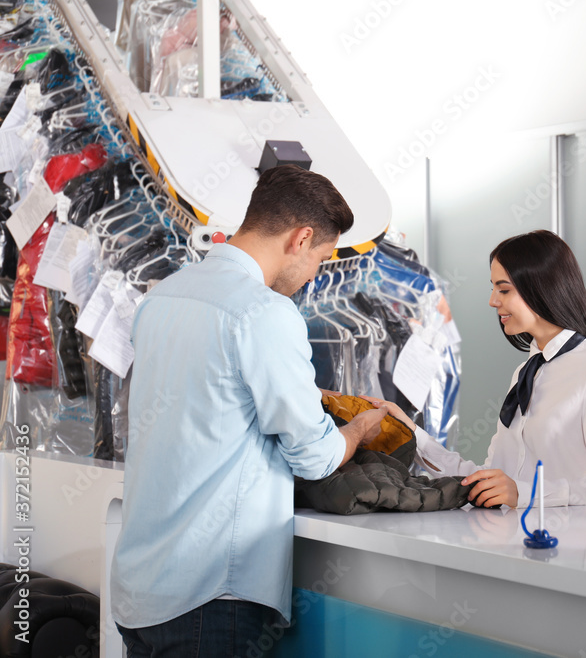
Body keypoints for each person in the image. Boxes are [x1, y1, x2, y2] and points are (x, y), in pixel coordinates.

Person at [110, 165, 387, 655]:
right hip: (211, 594)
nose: (314, 276)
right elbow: (315, 456)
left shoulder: (163, 297)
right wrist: (362, 426)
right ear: (301, 239)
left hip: (141, 588)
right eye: (322, 258)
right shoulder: (264, 312)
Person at [366, 230, 586, 510]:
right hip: (510, 544)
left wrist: (523, 494)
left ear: (541, 287)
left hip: (566, 547)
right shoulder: (526, 373)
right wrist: (410, 433)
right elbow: (490, 479)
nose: (493, 300)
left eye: (504, 289)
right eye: (493, 288)